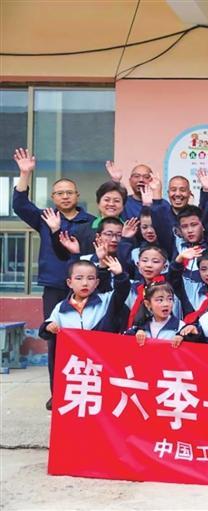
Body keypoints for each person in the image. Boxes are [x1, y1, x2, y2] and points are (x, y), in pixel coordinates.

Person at [12, 148, 96, 409]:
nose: (65, 196)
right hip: (54, 287)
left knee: (88, 339)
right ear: (53, 197)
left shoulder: (90, 222)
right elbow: (20, 205)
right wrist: (25, 173)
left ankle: (87, 390)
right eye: (60, 193)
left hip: (86, 288)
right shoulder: (46, 218)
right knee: (56, 338)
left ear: (77, 195)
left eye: (69, 192)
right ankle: (58, 392)